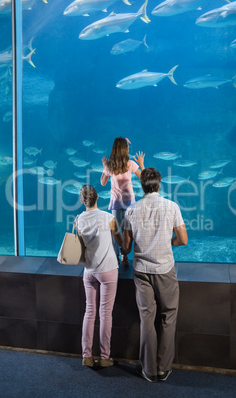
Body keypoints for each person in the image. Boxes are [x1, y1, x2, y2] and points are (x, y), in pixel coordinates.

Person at [122, 167, 188, 382]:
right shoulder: (172, 206)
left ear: (142, 186)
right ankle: (164, 367)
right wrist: (168, 243)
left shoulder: (131, 210)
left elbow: (126, 247)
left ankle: (149, 370)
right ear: (159, 185)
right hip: (165, 269)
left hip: (141, 271)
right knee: (168, 316)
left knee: (146, 319)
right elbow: (183, 239)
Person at [76, 184, 122, 368]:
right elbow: (119, 240)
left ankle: (86, 356)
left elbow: (81, 244)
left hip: (89, 271)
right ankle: (105, 357)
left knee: (89, 312)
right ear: (98, 198)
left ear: (82, 200)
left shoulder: (78, 219)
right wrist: (125, 250)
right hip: (108, 269)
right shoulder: (108, 217)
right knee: (105, 314)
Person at [100, 136, 145, 265]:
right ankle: (124, 254)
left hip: (115, 201)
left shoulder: (110, 165)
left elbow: (103, 183)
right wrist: (141, 164)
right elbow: (144, 178)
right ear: (125, 150)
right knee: (128, 229)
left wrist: (104, 167)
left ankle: (115, 257)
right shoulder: (130, 163)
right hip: (129, 201)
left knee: (116, 230)